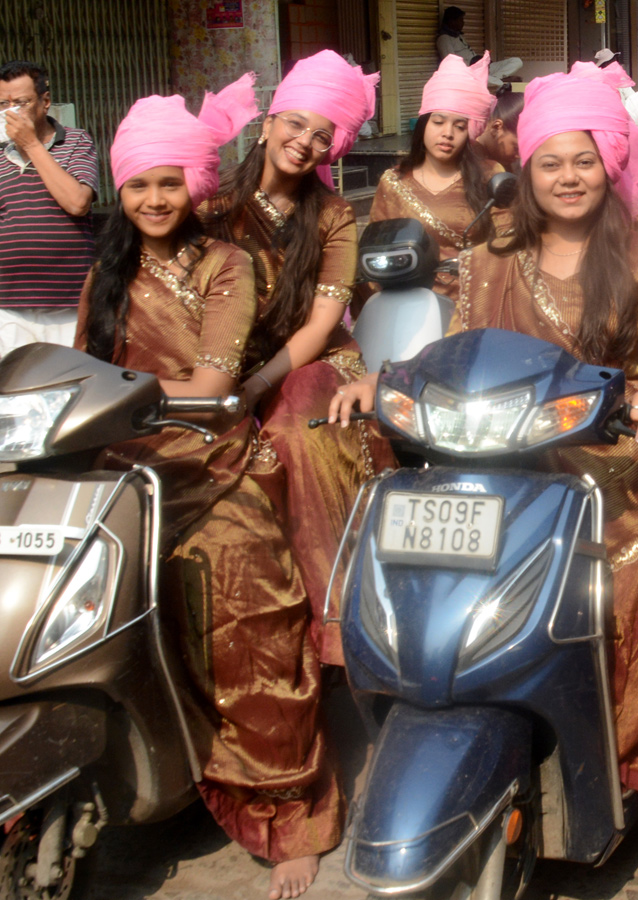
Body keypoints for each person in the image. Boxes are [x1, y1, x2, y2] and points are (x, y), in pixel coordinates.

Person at [332, 67, 638, 900]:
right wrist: (371, 378)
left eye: (585, 160)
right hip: (493, 458)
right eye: (552, 161)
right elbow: (448, 350)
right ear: (526, 169)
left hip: (602, 461)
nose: (569, 176)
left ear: (609, 165)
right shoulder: (491, 255)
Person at [82, 80, 343, 900]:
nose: (156, 199)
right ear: (120, 189)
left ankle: (287, 810)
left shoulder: (226, 263)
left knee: (246, 606)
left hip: (213, 462)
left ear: (194, 186)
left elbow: (215, 377)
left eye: (170, 183)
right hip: (119, 467)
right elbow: (78, 374)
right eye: (139, 184)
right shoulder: (106, 273)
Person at [199, 51, 393, 667]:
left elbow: (322, 321)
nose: (304, 143)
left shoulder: (333, 214)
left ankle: (335, 623)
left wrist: (259, 382)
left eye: (321, 135)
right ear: (268, 121)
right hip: (222, 361)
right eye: (296, 125)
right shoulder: (214, 204)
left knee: (293, 433)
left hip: (313, 361)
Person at [369, 53, 506, 301]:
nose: (447, 133)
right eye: (438, 122)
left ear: (469, 133)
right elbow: (375, 253)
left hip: (476, 304)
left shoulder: (490, 174)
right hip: (406, 306)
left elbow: (510, 242)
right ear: (423, 125)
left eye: (459, 126)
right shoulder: (393, 181)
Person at [0, 60, 98, 353]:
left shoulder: (76, 141)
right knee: (13, 392)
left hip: (69, 305)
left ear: (45, 102)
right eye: (3, 103)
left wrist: (31, 145)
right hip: (7, 306)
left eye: (21, 102)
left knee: (70, 386)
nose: (11, 112)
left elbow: (77, 202)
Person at [435, 7, 521, 85]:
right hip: (469, 72)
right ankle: (502, 82)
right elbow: (451, 64)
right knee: (481, 79)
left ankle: (496, 79)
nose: (463, 23)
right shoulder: (444, 39)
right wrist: (474, 64)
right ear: (451, 21)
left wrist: (482, 61)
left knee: (517, 61)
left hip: (481, 67)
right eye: (460, 20)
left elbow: (470, 54)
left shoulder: (459, 36)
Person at [475, 83, 524, 171]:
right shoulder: (466, 160)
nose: (519, 156)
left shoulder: (503, 165)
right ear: (496, 128)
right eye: (516, 148)